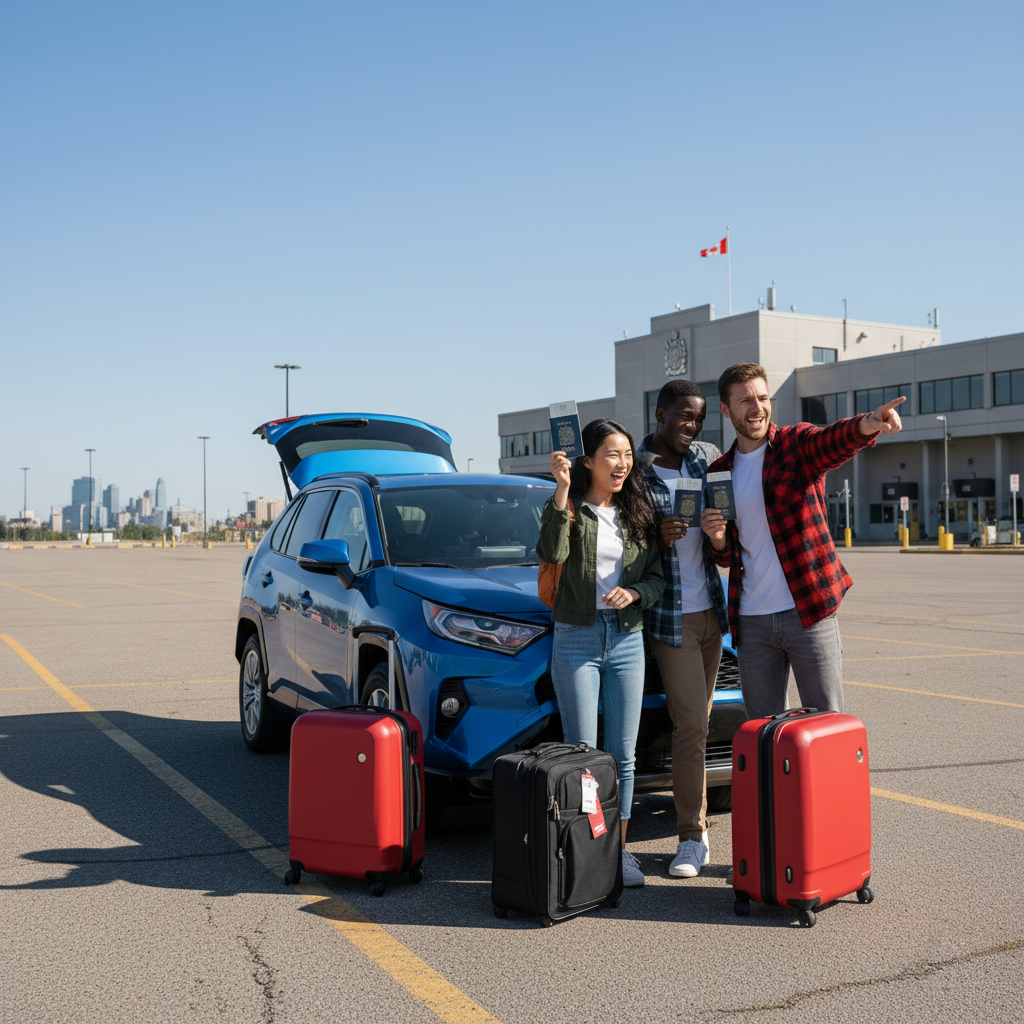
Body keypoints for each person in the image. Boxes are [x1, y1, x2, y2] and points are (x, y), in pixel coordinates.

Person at [701, 362, 904, 718]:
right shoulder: (719, 472)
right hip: (751, 620)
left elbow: (832, 441)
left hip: (808, 611)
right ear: (725, 409)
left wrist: (868, 423)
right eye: (745, 400)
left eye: (763, 398)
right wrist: (717, 541)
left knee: (827, 723)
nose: (756, 407)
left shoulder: (794, 445)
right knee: (763, 730)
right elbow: (728, 554)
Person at [537, 418, 665, 888]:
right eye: (612, 454)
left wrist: (634, 594)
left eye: (627, 454)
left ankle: (619, 851)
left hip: (627, 638)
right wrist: (561, 491)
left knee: (623, 756)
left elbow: (655, 577)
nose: (623, 463)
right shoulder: (567, 507)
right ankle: (585, 853)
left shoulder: (637, 512)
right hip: (577, 636)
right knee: (583, 755)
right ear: (587, 459)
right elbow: (550, 550)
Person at [636, 379, 728, 879]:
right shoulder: (636, 469)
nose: (691, 427)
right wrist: (656, 537)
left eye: (699, 419)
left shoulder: (704, 460)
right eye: (684, 417)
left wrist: (719, 531)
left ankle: (699, 827)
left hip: (712, 610)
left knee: (703, 721)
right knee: (690, 724)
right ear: (660, 413)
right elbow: (621, 541)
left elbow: (726, 522)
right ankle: (692, 837)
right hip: (669, 617)